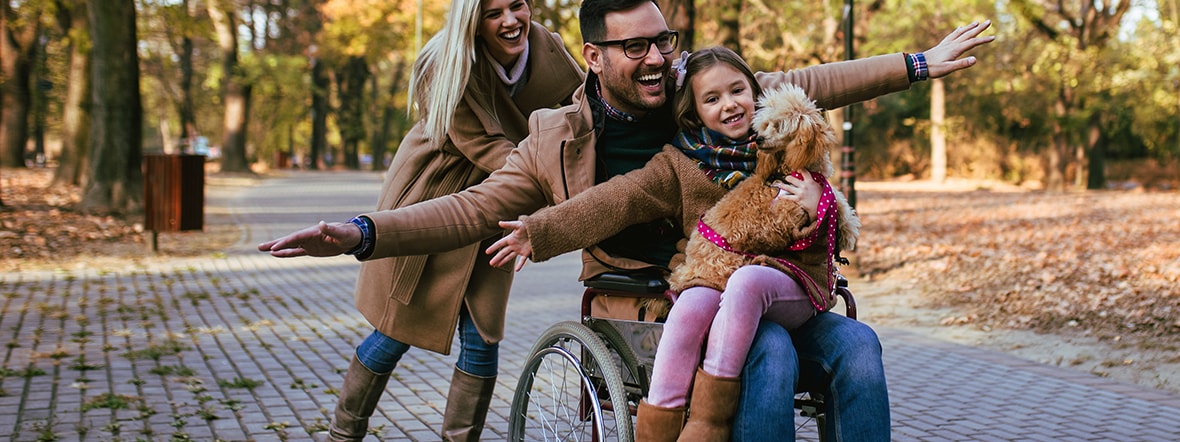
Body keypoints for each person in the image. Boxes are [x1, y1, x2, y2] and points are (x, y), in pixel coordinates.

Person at [258, 0, 993, 439]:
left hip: (765, 280)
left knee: (859, 345)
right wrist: (362, 233)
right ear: (594, 54)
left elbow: (811, 84)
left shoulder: (701, 90)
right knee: (766, 355)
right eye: (635, 46)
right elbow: (475, 208)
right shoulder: (557, 134)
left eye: (663, 41)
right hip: (646, 299)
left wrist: (922, 63)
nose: (656, 58)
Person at [484, 47, 856, 441]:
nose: (730, 105)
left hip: (791, 293)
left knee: (859, 343)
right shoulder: (679, 165)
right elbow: (617, 199)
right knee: (772, 346)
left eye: (738, 91)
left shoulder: (783, 144)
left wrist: (821, 205)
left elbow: (833, 233)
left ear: (755, 92)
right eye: (712, 99)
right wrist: (540, 231)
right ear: (695, 111)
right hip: (721, 301)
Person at [324, 0, 584, 440]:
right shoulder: (443, 63)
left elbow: (587, 109)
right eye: (493, 12)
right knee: (395, 330)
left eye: (517, 6)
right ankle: (343, 433)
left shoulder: (549, 51)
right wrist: (555, 183)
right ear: (473, 21)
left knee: (483, 334)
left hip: (501, 203)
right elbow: (487, 148)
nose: (510, 21)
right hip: (437, 196)